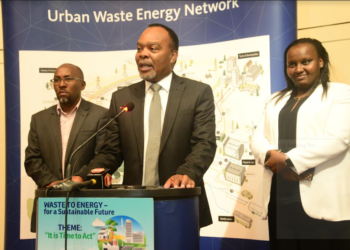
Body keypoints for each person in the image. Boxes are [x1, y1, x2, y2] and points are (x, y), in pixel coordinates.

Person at [87, 23, 216, 228]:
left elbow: (204, 144)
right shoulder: (122, 97)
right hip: (132, 210)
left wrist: (186, 173)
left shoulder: (197, 93)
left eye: (152, 49)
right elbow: (111, 152)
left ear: (173, 55)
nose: (143, 54)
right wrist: (84, 176)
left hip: (179, 202)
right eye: (139, 49)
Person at [250, 38, 350, 250]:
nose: (298, 69)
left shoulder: (341, 94)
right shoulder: (274, 100)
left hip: (323, 201)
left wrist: (288, 160)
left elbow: (339, 138)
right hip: (280, 199)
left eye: (306, 61)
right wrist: (269, 154)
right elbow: (257, 138)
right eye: (292, 64)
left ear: (321, 62)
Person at [24, 63, 108, 232]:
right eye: (56, 80)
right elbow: (32, 159)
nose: (61, 84)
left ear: (82, 85)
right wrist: (52, 183)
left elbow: (105, 156)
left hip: (87, 202)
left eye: (68, 79)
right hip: (50, 201)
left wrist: (79, 178)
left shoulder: (100, 116)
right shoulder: (39, 119)